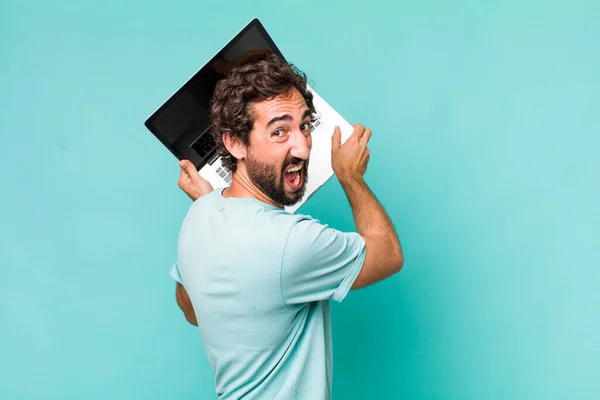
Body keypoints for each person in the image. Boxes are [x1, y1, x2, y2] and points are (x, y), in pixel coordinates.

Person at [171, 55, 403, 399]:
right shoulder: (291, 242)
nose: (304, 148)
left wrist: (208, 210)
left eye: (305, 126)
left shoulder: (200, 216)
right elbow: (388, 254)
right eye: (279, 131)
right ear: (235, 143)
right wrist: (350, 177)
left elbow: (193, 310)